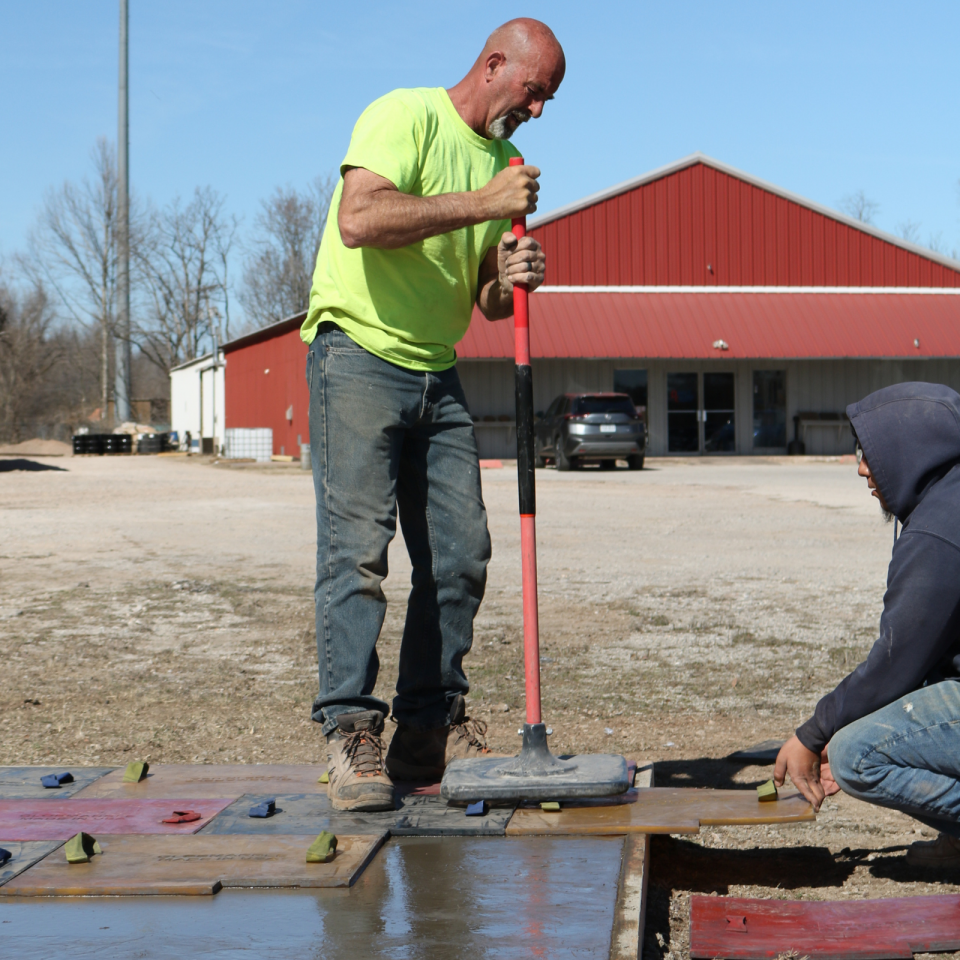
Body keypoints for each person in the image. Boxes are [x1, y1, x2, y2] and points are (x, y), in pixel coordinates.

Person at [301, 20, 566, 811]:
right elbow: (362, 220)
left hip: (436, 369)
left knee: (459, 557)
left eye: (549, 99)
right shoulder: (406, 115)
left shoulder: (506, 165)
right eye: (533, 91)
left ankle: (423, 730)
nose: (539, 111)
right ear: (494, 65)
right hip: (358, 356)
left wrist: (510, 271)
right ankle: (353, 733)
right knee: (357, 555)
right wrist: (483, 201)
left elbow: (484, 301)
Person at [775, 382, 960, 866]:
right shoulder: (949, 498)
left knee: (858, 755)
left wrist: (814, 734)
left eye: (870, 453)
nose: (861, 467)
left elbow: (897, 661)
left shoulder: (939, 531)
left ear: (914, 451)